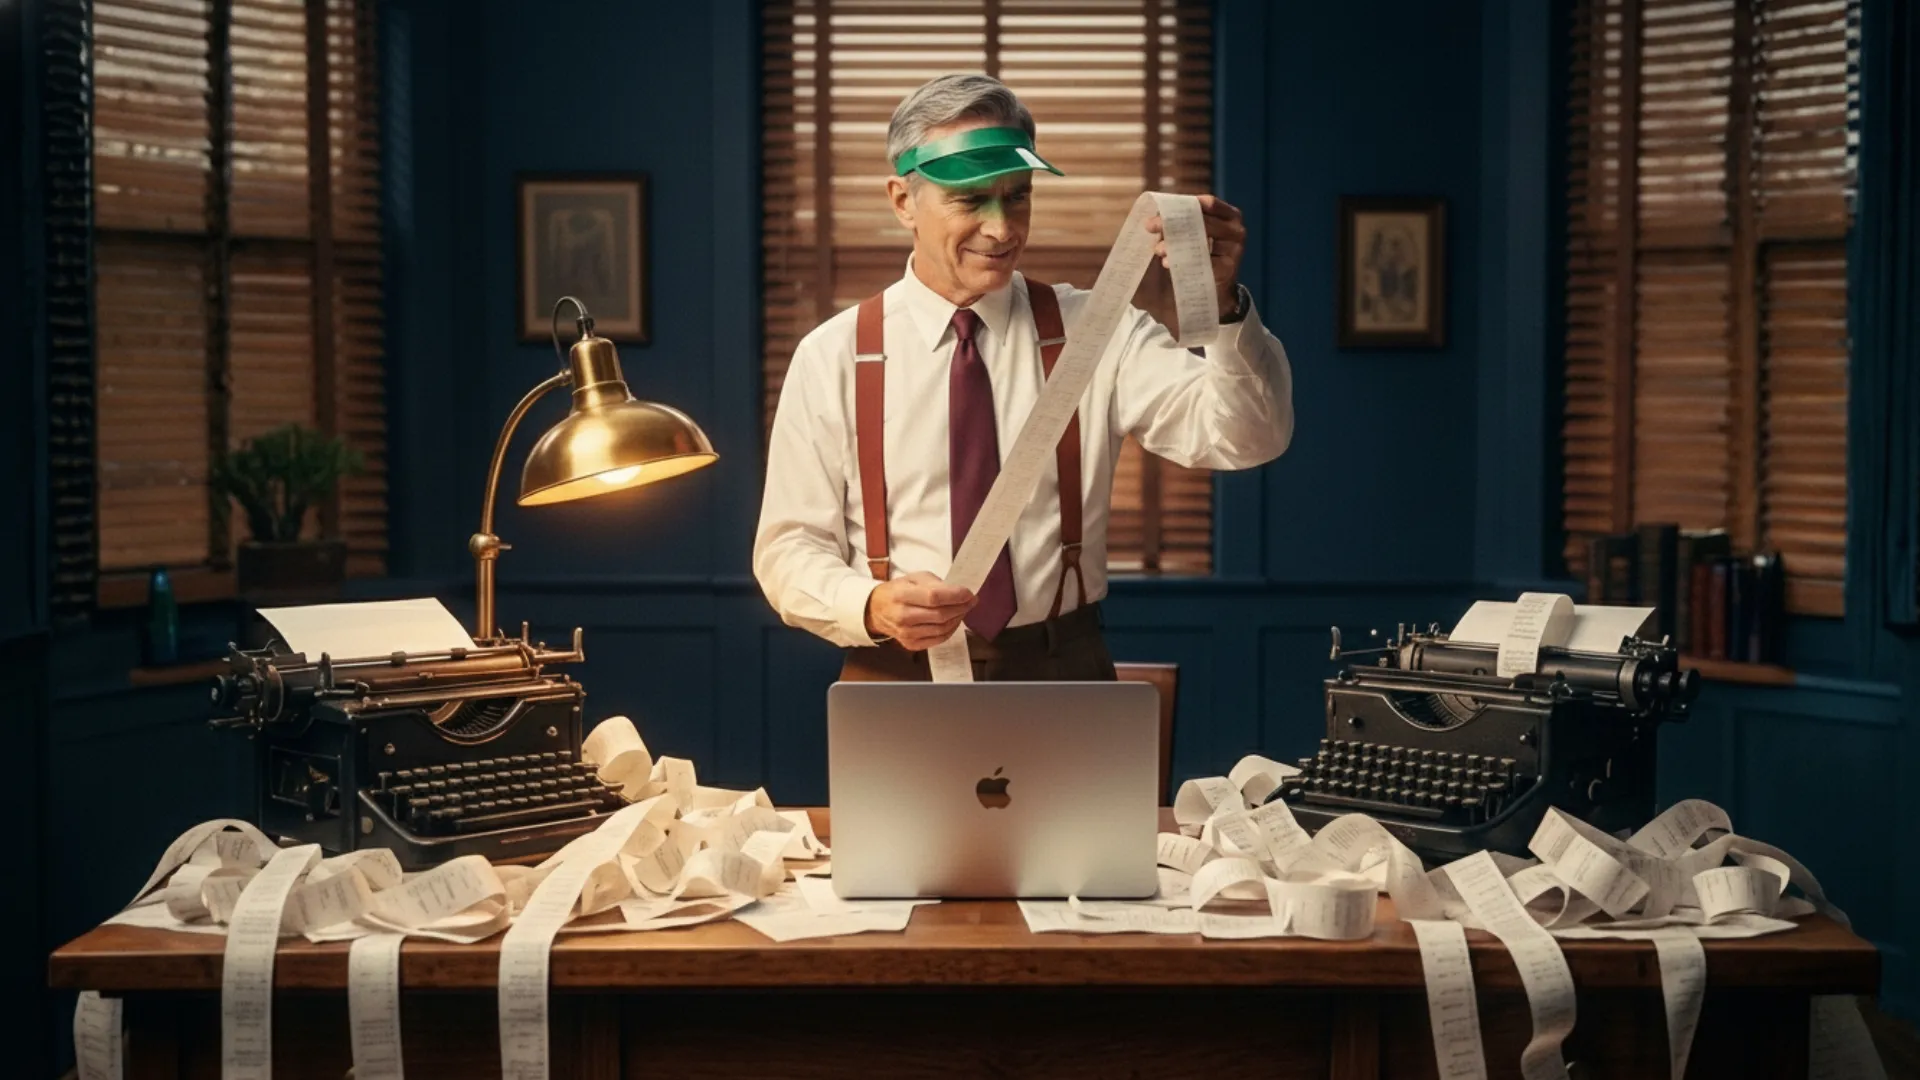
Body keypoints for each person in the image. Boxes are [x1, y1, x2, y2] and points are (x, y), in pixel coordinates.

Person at [753, 73, 1294, 682]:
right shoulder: (832, 355)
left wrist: (1218, 304)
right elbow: (788, 549)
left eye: (1016, 196)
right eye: (969, 199)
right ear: (903, 200)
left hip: (1064, 666)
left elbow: (1249, 435)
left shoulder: (1100, 330)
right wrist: (871, 605)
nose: (1002, 228)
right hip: (895, 672)